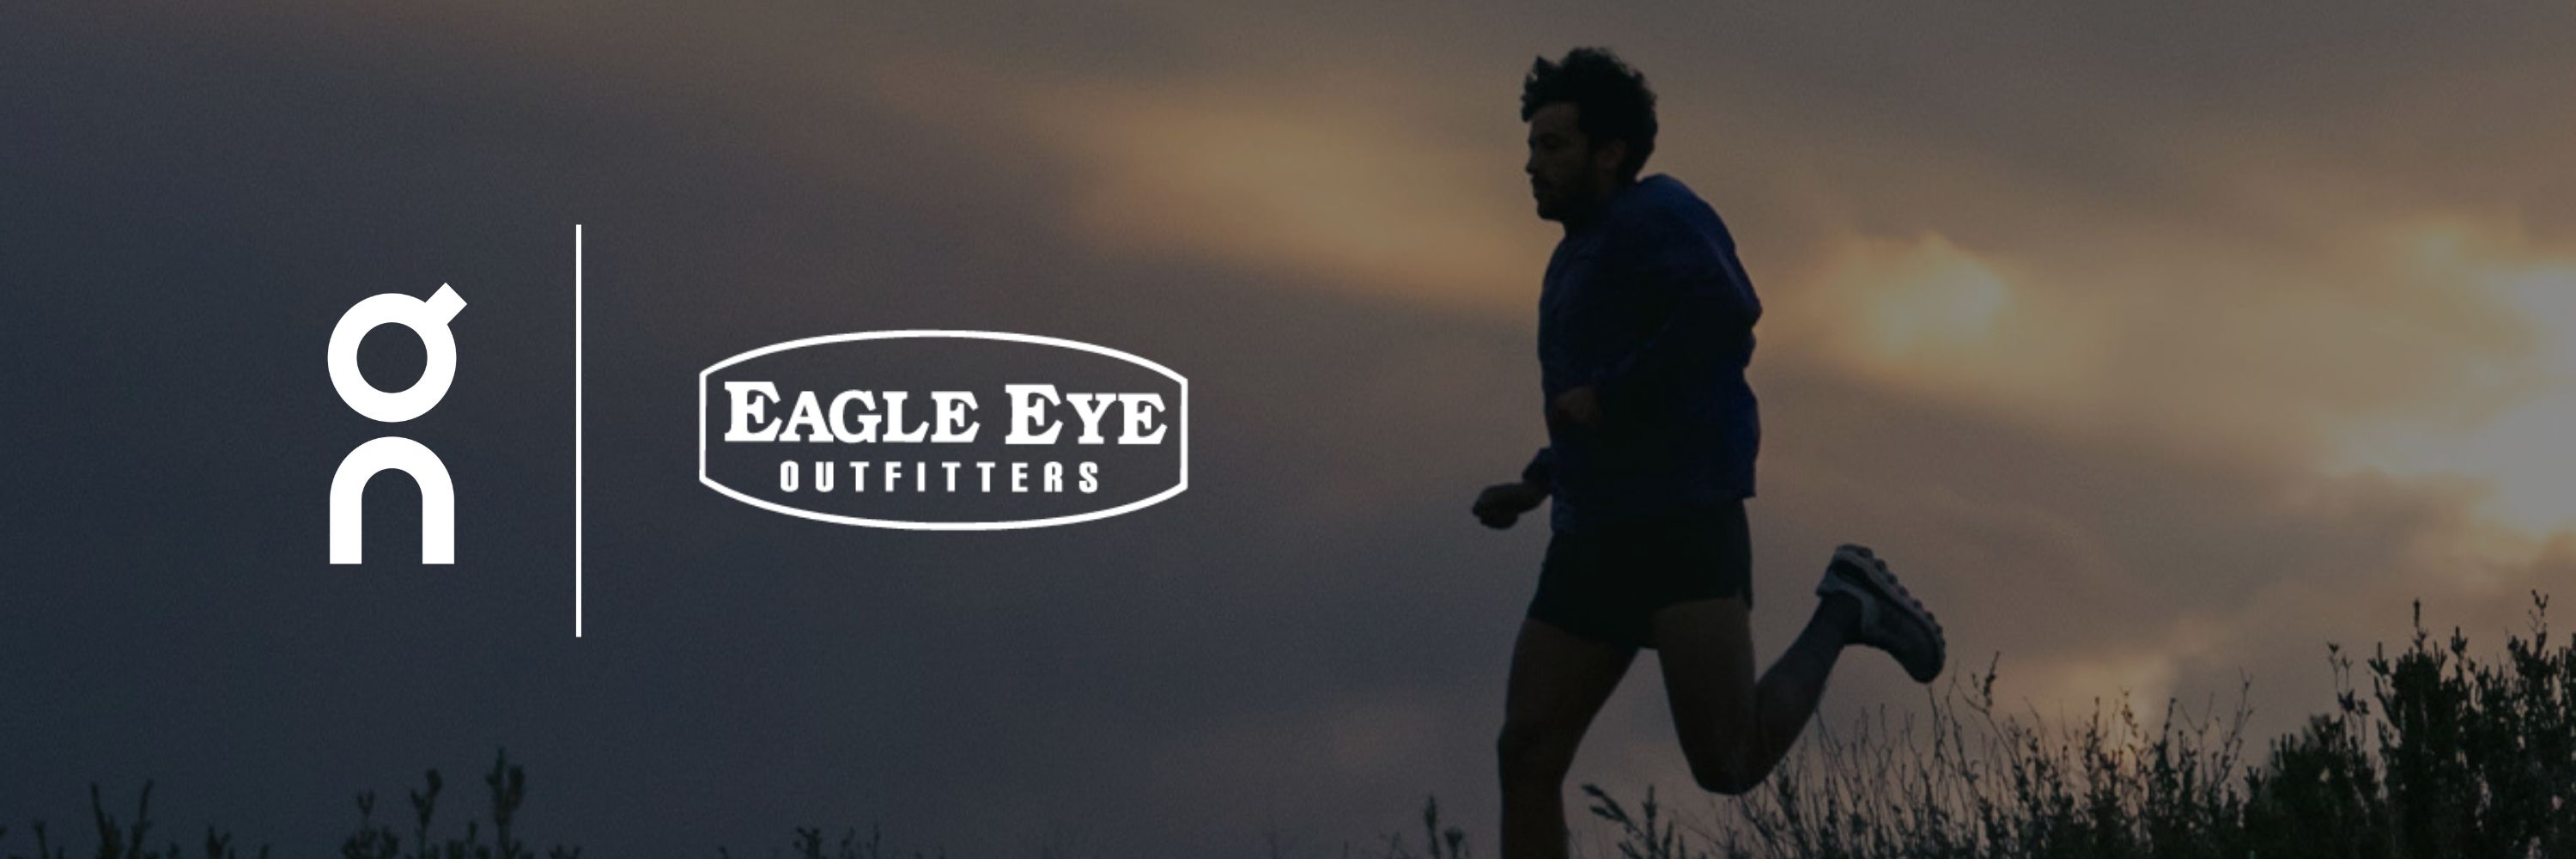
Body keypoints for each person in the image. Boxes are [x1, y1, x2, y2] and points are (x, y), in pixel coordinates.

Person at [1470, 47, 1948, 859]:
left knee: (1728, 762)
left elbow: (1728, 310)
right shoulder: (1568, 263)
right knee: (1525, 752)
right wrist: (1537, 481)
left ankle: (1847, 606)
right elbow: (1586, 411)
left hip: (1680, 520)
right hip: (1589, 539)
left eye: (1553, 146)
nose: (1532, 165)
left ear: (1610, 151)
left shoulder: (1658, 211)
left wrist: (1612, 394)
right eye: (1531, 148)